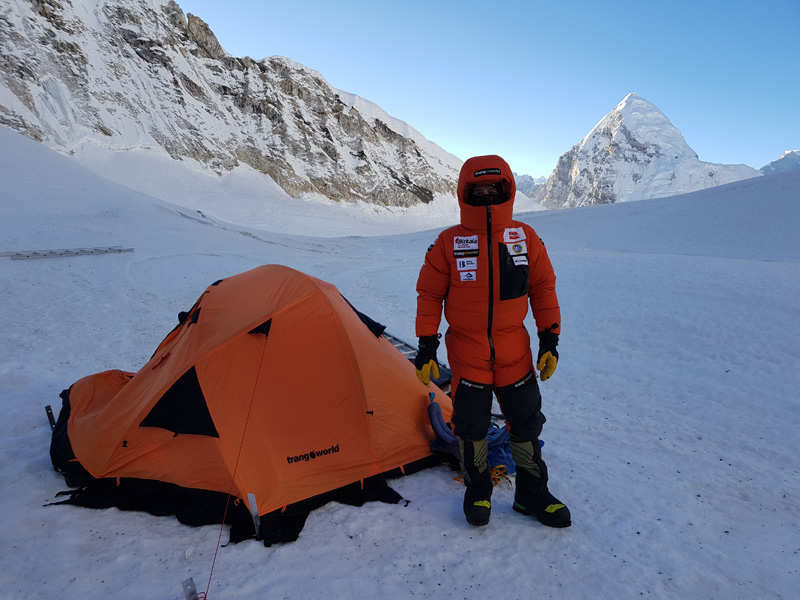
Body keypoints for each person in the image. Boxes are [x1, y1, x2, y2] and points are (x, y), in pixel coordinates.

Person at [414, 155, 570, 528]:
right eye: (478, 190)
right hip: (467, 354)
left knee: (527, 423)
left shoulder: (524, 237)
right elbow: (429, 294)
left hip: (514, 352)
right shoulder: (449, 242)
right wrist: (426, 346)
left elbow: (543, 288)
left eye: (493, 190)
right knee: (470, 428)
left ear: (507, 191)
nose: (486, 196)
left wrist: (550, 339)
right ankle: (478, 490)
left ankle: (532, 495)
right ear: (465, 194)